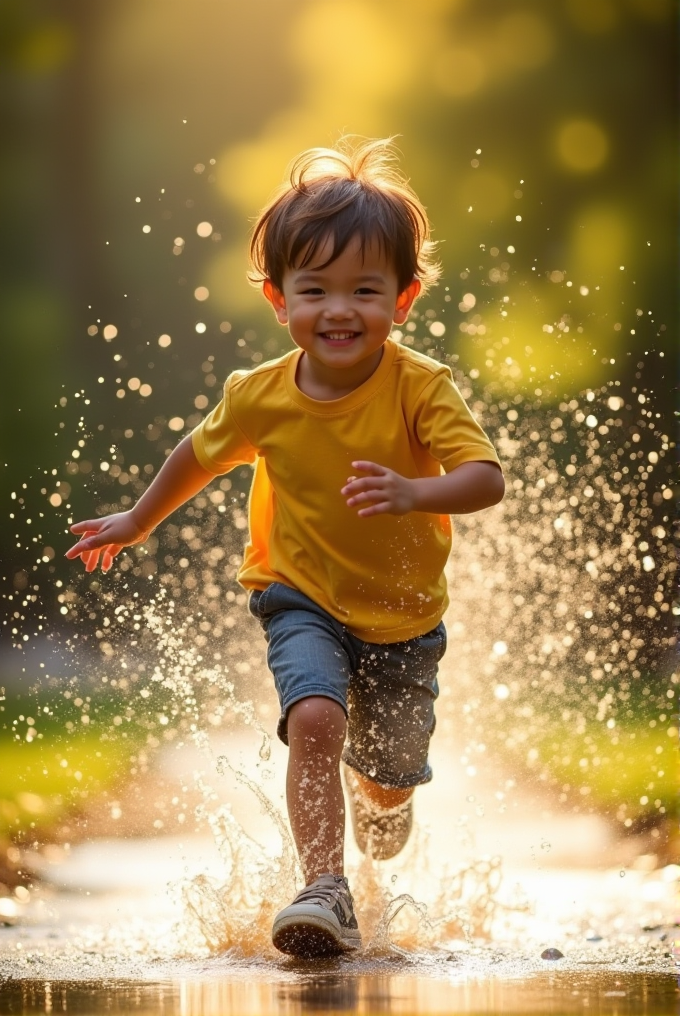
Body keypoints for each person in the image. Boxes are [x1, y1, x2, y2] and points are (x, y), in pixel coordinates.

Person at [66, 138, 504, 958]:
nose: (339, 310)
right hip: (296, 594)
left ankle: (384, 799)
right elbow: (196, 456)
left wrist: (416, 491)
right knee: (312, 716)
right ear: (279, 300)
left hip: (405, 619)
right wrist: (139, 518)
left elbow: (485, 479)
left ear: (403, 300)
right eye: (316, 290)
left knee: (385, 779)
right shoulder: (259, 395)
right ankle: (324, 888)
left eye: (365, 290)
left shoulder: (419, 387)